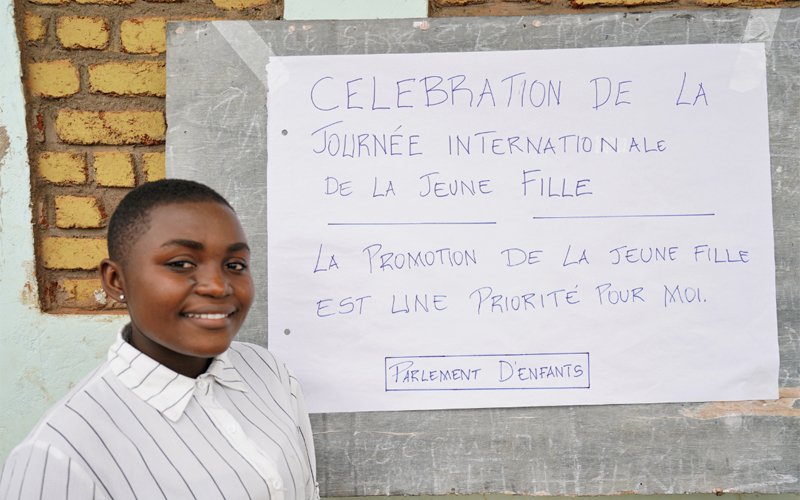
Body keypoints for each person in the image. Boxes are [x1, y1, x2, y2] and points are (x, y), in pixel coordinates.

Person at [0, 179, 319, 500]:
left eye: (235, 265)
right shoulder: (60, 456)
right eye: (180, 264)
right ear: (116, 280)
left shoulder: (269, 373)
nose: (218, 286)